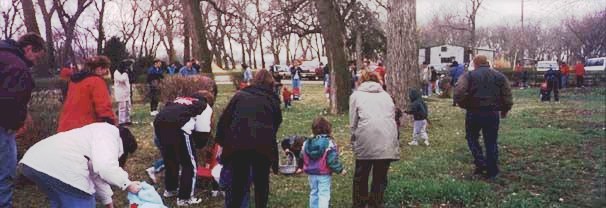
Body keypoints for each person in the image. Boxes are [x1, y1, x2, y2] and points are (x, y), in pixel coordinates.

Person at [20, 123, 141, 207]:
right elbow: (105, 167)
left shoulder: (98, 132)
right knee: (83, 198)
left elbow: (96, 174)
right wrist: (128, 184)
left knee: (61, 202)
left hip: (34, 161)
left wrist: (108, 202)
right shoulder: (109, 135)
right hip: (58, 165)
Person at [216, 69, 282, 208]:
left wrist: (221, 142)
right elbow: (276, 123)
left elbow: (224, 120)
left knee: (237, 183)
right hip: (263, 146)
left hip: (238, 144)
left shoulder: (240, 96)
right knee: (261, 182)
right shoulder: (273, 100)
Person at [0, 32, 46, 207]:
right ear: (28, 49)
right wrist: (17, 123)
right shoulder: (17, 67)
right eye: (36, 56)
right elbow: (11, 102)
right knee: (5, 173)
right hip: (3, 127)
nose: (35, 62)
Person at [454, 55, 513, 179]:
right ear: (487, 63)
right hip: (492, 113)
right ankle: (492, 171)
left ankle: (480, 163)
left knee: (471, 138)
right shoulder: (499, 76)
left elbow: (459, 92)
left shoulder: (468, 76)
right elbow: (507, 95)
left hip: (473, 112)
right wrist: (505, 110)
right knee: (491, 141)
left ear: (475, 64)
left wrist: (464, 104)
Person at [349, 71, 399, 207]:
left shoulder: (356, 96)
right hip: (387, 139)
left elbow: (353, 122)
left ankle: (359, 204)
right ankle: (375, 204)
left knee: (361, 176)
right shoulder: (386, 95)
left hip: (366, 137)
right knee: (380, 177)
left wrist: (354, 141)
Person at [153, 93, 210, 206]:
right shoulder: (204, 106)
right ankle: (185, 198)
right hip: (179, 125)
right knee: (190, 164)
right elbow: (203, 131)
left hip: (159, 122)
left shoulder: (179, 99)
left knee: (170, 159)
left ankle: (171, 189)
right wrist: (198, 145)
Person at [57, 56, 116, 133]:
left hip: (65, 127)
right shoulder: (96, 81)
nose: (106, 73)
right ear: (99, 68)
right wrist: (110, 124)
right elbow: (103, 106)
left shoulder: (74, 82)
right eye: (105, 69)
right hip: (84, 128)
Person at [302, 117, 346, 208]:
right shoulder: (329, 143)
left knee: (314, 192)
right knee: (323, 194)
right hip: (323, 173)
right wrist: (340, 170)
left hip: (311, 173)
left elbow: (302, 155)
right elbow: (332, 160)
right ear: (328, 129)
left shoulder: (307, 143)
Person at [114, 61, 132, 126]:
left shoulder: (125, 73)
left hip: (126, 93)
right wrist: (125, 73)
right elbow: (121, 79)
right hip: (120, 93)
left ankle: (127, 120)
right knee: (122, 108)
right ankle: (121, 121)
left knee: (128, 107)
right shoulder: (116, 73)